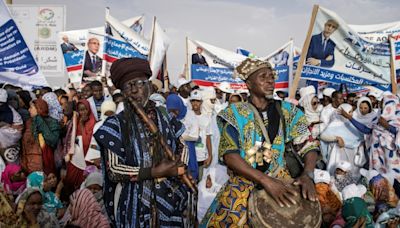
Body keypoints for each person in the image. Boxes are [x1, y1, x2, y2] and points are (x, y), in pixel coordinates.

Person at [201, 58, 319, 226]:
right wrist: (265, 181)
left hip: (281, 179)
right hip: (245, 182)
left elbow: (308, 145)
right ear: (249, 84)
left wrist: (307, 174)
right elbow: (230, 156)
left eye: (272, 76)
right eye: (263, 77)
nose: (270, 81)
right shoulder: (234, 114)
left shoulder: (288, 111)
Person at [94, 58, 188, 227]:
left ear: (149, 86)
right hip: (135, 205)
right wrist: (153, 172)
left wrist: (179, 167)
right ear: (122, 93)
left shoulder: (166, 117)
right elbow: (114, 170)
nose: (135, 90)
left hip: (169, 198)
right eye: (128, 86)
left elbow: (183, 146)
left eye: (139, 83)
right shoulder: (115, 124)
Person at [320, 103, 364, 175]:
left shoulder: (352, 123)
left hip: (352, 154)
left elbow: (360, 137)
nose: (351, 114)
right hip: (338, 154)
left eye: (352, 111)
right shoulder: (335, 124)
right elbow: (323, 136)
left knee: (352, 173)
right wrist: (337, 138)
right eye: (349, 112)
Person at [63, 100, 96, 195]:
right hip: (76, 155)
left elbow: (89, 139)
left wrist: (81, 125)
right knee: (71, 180)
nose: (83, 112)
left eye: (85, 109)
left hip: (86, 157)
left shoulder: (92, 121)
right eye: (81, 110)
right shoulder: (75, 120)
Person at [24, 99, 60, 175]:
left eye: (31, 107)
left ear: (38, 108)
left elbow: (53, 140)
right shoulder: (29, 122)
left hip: (47, 160)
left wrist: (38, 119)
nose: (29, 110)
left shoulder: (52, 122)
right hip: (32, 160)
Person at [189, 90, 212, 180]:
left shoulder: (206, 118)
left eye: (197, 101)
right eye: (193, 100)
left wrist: (210, 155)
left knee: (200, 182)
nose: (195, 103)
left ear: (201, 102)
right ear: (190, 102)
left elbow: (208, 138)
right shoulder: (186, 117)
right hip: (189, 157)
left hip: (201, 156)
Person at [86, 100, 116, 166]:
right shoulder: (97, 126)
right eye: (106, 114)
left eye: (111, 114)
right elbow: (93, 145)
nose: (108, 118)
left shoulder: (119, 126)